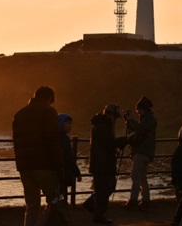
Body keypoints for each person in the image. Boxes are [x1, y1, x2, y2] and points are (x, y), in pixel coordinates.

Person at [13, 86, 70, 226]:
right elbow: (52, 140)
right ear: (50, 97)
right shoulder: (48, 111)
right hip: (44, 164)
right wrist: (59, 163)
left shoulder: (19, 114)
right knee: (54, 200)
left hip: (24, 166)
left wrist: (20, 163)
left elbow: (16, 140)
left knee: (32, 204)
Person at [82, 104, 127, 224]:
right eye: (115, 117)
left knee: (105, 187)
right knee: (105, 189)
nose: (115, 120)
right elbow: (107, 143)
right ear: (110, 114)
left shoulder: (102, 125)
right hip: (103, 163)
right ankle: (98, 214)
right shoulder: (103, 126)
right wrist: (120, 142)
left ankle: (92, 205)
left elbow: (107, 144)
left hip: (102, 162)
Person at [123, 96, 157, 211]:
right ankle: (145, 201)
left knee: (135, 176)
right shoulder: (148, 119)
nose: (138, 112)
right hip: (145, 152)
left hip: (142, 152)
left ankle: (133, 200)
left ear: (144, 109)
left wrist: (130, 120)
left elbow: (140, 129)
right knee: (142, 177)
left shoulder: (149, 120)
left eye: (139, 110)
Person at [58, 114, 82, 203]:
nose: (69, 126)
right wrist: (77, 173)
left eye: (70, 123)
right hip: (62, 173)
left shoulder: (52, 137)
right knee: (62, 199)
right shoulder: (64, 139)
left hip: (55, 173)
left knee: (55, 200)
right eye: (67, 123)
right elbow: (69, 157)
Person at [171, 121, 182, 226]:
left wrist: (174, 180)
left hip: (181, 178)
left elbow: (174, 164)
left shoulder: (179, 149)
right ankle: (177, 220)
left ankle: (176, 220)